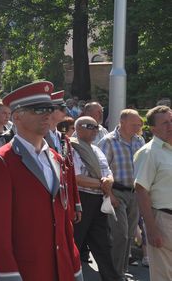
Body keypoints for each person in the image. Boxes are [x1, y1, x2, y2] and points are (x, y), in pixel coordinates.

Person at [0, 81, 82, 281]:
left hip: (62, 270)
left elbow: (64, 224)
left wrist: (75, 269)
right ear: (16, 116)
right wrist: (8, 276)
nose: (47, 115)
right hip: (26, 273)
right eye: (38, 109)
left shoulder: (56, 158)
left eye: (49, 109)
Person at [69, 116, 121, 281]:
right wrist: (102, 184)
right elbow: (76, 177)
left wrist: (108, 182)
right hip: (82, 200)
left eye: (97, 127)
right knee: (74, 243)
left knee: (104, 244)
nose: (95, 130)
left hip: (99, 200)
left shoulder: (96, 150)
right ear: (78, 128)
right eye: (90, 126)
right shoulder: (71, 147)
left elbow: (108, 173)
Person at [98, 108, 146, 278]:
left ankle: (121, 271)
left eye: (139, 124)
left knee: (130, 235)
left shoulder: (139, 140)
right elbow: (100, 171)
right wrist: (108, 194)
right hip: (116, 192)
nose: (138, 126)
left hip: (134, 193)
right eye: (134, 124)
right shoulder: (108, 141)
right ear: (122, 122)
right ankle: (114, 274)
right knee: (121, 235)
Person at [134, 105, 172, 281]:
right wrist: (151, 229)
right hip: (163, 220)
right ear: (153, 129)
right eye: (165, 123)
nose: (170, 125)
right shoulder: (149, 152)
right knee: (163, 276)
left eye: (171, 120)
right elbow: (141, 191)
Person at [49, 90, 83, 224]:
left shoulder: (64, 139)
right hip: (52, 202)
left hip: (66, 202)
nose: (65, 111)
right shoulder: (39, 140)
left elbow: (70, 172)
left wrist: (76, 203)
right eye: (61, 108)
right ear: (51, 111)